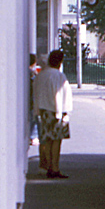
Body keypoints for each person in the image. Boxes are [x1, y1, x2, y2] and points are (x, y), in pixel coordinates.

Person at [33, 49, 73, 179]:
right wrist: (62, 113)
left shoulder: (42, 75)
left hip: (43, 111)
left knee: (46, 140)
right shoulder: (59, 76)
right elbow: (61, 94)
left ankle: (46, 166)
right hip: (56, 111)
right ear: (60, 62)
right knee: (56, 140)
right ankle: (54, 167)